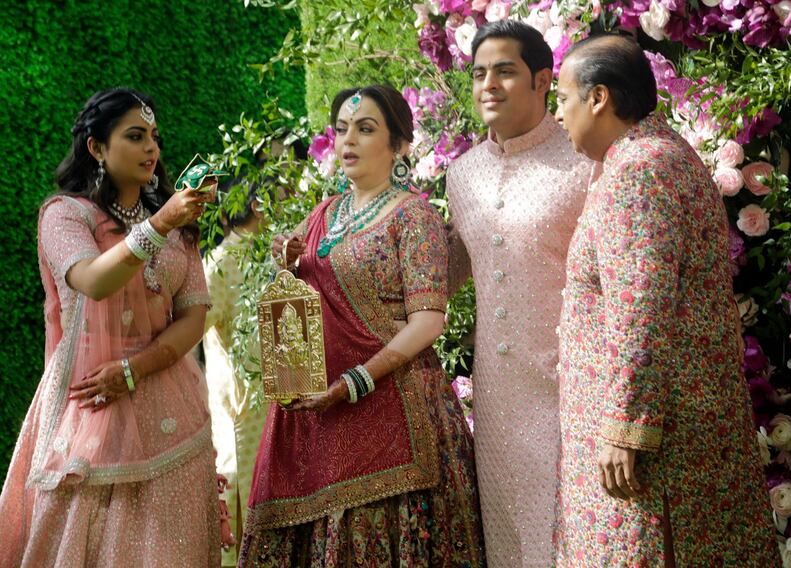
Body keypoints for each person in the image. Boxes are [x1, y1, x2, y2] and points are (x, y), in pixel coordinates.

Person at [553, 35, 779, 566]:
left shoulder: (640, 170)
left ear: (599, 97)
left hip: (657, 453)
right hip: (676, 425)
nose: (558, 115)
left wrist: (624, 429)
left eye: (562, 98)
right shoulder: (660, 153)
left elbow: (639, 310)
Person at [239, 84, 485, 566]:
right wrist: (289, 265)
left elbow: (429, 320)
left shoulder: (413, 217)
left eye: (366, 129)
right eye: (343, 129)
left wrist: (357, 380)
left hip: (395, 408)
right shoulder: (324, 214)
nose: (348, 139)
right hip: (321, 414)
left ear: (399, 145)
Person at [0, 88, 221, 567]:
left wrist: (136, 368)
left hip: (169, 402)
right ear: (96, 148)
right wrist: (159, 225)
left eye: (155, 139)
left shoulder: (176, 226)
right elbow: (94, 281)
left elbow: (193, 317)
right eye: (136, 137)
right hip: (89, 406)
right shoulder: (65, 215)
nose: (152, 150)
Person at [445, 20, 594, 567]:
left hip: (573, 387)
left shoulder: (583, 161)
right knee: (508, 538)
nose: (488, 84)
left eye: (505, 71)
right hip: (498, 393)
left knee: (574, 536)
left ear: (542, 81)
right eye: (480, 73)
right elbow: (444, 271)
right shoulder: (461, 175)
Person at [203, 180, 269, 566]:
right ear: (258, 206)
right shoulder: (223, 263)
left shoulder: (264, 258)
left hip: (257, 414)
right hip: (243, 418)